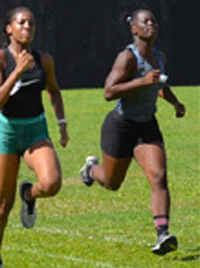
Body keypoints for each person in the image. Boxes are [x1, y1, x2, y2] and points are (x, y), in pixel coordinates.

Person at [79, 9, 185, 256]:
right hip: (121, 126)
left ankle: (163, 234)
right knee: (112, 182)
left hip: (147, 125)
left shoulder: (160, 56)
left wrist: (175, 103)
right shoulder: (127, 58)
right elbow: (108, 92)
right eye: (144, 21)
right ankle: (90, 171)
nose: (151, 24)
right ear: (134, 29)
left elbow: (160, 84)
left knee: (158, 176)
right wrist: (141, 82)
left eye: (153, 21)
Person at [0, 7, 68, 268]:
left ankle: (30, 195)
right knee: (3, 203)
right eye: (21, 23)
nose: (27, 27)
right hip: (8, 132)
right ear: (9, 28)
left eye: (31, 24)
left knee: (52, 183)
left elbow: (53, 91)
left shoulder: (44, 60)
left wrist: (62, 123)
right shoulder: (0, 58)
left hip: (36, 129)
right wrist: (17, 72)